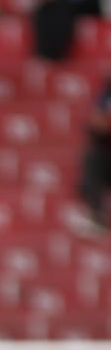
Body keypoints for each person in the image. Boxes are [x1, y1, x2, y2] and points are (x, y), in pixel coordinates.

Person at [66, 73, 111, 236]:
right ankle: (97, 216)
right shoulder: (107, 94)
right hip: (106, 154)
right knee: (92, 159)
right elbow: (97, 123)